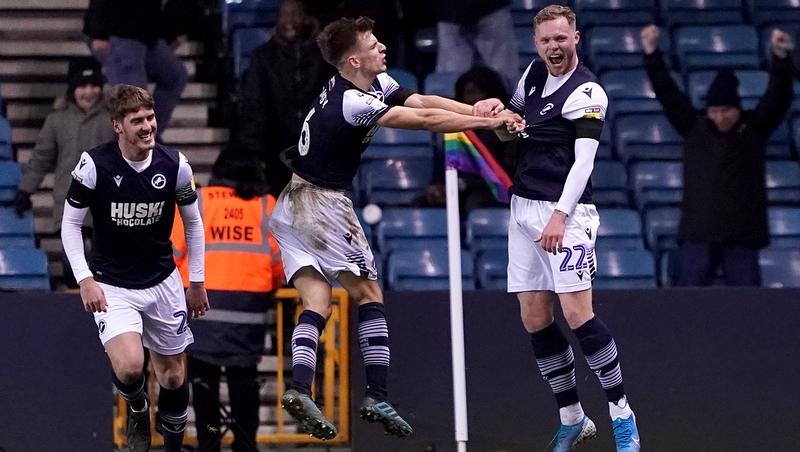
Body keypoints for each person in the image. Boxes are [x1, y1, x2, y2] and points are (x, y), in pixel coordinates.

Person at [268, 16, 522, 441]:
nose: (382, 47)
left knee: (317, 300)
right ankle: (377, 394)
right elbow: (421, 123)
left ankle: (299, 388)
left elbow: (421, 102)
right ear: (353, 60)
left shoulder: (368, 84)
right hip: (321, 204)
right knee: (368, 294)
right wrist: (486, 126)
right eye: (372, 43)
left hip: (290, 204)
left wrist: (476, 109)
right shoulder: (352, 101)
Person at [475, 5, 640, 451]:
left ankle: (622, 415)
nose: (554, 46)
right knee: (534, 317)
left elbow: (584, 162)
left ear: (576, 39)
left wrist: (559, 217)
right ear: (536, 43)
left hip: (565, 214)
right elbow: (512, 131)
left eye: (561, 38)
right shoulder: (530, 74)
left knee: (577, 314)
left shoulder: (588, 91)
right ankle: (572, 418)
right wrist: (495, 116)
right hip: (523, 206)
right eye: (546, 39)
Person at [61, 84, 210, 452]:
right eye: (137, 120)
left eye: (150, 117)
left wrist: (197, 281)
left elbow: (193, 224)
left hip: (162, 281)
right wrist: (85, 279)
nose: (147, 127)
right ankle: (138, 406)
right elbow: (69, 224)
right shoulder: (94, 165)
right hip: (112, 285)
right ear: (117, 126)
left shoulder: (175, 165)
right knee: (130, 368)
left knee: (173, 378)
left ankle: (173, 445)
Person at [640, 25, 793, 286]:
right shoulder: (692, 125)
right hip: (698, 234)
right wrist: (651, 54)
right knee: (691, 307)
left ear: (737, 108)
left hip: (742, 235)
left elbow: (778, 97)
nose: (719, 116)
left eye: (725, 110)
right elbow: (666, 92)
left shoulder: (755, 128)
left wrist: (780, 58)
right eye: (714, 110)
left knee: (748, 307)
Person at [170, 152, 283, 452]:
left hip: (200, 314)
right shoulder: (266, 206)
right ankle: (245, 445)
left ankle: (209, 442)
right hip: (248, 317)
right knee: (244, 387)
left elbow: (174, 256)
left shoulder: (197, 201)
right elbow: (278, 264)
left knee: (203, 386)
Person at [8, 56, 116, 287]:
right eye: (82, 86)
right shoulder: (57, 120)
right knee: (73, 261)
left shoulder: (113, 118)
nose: (89, 92)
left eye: (94, 85)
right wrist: (26, 190)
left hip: (106, 203)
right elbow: (41, 158)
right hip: (70, 201)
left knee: (104, 261)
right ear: (72, 89)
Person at [236, 0, 336, 197]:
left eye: (294, 14)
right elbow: (253, 108)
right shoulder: (263, 57)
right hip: (277, 157)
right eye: (283, 15)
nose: (287, 21)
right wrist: (252, 156)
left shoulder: (325, 57)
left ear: (306, 19)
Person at [83, 0, 191, 139]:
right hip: (117, 31)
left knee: (175, 76)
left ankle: (146, 136)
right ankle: (136, 143)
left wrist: (172, 31)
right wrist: (98, 32)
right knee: (135, 98)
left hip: (145, 34)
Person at [434, 0, 519, 88]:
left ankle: (507, 97)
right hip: (451, 15)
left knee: (502, 73)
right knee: (451, 77)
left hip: (490, 10)